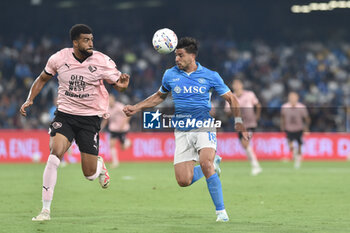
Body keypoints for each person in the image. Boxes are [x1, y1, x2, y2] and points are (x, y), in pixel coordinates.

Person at [123, 37, 248, 222]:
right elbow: (159, 97)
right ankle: (215, 165)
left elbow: (232, 99)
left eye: (180, 55)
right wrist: (137, 107)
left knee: (205, 164)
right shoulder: (170, 75)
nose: (177, 59)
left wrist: (238, 121)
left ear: (192, 56)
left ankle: (221, 212)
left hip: (204, 126)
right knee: (183, 181)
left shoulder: (210, 75)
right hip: (181, 130)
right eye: (175, 55)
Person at [19, 24, 130, 221]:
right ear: (75, 42)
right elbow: (42, 79)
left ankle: (99, 164)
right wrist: (30, 99)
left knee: (89, 175)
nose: (90, 43)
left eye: (92, 39)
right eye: (86, 40)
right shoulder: (59, 58)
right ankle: (45, 210)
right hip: (65, 115)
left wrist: (122, 86)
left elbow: (118, 86)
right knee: (54, 155)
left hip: (90, 119)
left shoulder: (102, 61)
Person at [224, 78, 262, 176]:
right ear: (232, 86)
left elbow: (258, 105)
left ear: (242, 85)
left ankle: (256, 166)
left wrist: (256, 117)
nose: (236, 86)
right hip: (239, 124)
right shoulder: (230, 97)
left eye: (238, 84)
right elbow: (227, 113)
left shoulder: (250, 94)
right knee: (245, 146)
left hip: (250, 123)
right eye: (234, 84)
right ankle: (255, 165)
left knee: (245, 143)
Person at [280, 92, 310, 169]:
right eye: (291, 97)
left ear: (297, 98)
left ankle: (298, 161)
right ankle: (295, 154)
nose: (292, 99)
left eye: (294, 97)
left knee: (300, 145)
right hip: (289, 128)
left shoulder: (301, 107)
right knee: (290, 146)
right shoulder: (285, 107)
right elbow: (282, 117)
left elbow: (306, 118)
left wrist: (306, 128)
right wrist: (282, 126)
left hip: (299, 129)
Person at [101, 95, 132, 168]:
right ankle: (115, 162)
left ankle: (128, 142)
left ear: (113, 100)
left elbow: (128, 115)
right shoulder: (107, 109)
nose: (110, 101)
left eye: (111, 100)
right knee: (111, 144)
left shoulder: (120, 106)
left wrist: (123, 124)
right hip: (113, 129)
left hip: (122, 129)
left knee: (123, 147)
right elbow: (106, 119)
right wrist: (101, 127)